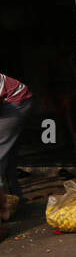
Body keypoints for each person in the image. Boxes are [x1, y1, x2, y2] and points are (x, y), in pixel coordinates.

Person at [1, 73, 34, 237]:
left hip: (14, 102)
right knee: (6, 155)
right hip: (8, 101)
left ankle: (3, 213)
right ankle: (15, 199)